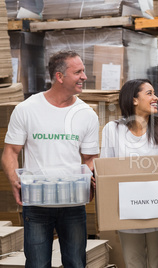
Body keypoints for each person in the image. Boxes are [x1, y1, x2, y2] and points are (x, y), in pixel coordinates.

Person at [1, 50, 99, 267]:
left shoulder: (86, 114)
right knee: (37, 263)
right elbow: (10, 151)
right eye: (78, 72)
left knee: (75, 262)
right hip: (37, 203)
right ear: (59, 76)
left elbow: (90, 157)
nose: (84, 76)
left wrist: (91, 175)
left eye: (84, 71)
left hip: (73, 202)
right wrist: (13, 179)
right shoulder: (27, 109)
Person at [100, 79, 158, 268]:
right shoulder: (113, 130)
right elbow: (106, 173)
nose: (155, 98)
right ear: (134, 99)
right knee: (133, 262)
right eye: (149, 93)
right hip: (129, 211)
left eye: (154, 93)